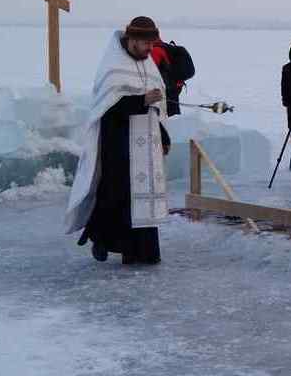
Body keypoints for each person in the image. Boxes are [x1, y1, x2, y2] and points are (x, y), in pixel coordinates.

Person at [65, 16, 171, 264]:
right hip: (118, 143)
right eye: (146, 44)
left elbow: (159, 106)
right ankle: (102, 239)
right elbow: (106, 109)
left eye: (152, 45)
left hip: (146, 143)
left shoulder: (148, 65)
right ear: (132, 40)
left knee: (144, 198)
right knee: (117, 196)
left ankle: (144, 252)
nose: (149, 50)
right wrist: (141, 100)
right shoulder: (113, 66)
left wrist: (164, 136)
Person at [150, 38, 195, 116]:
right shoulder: (161, 46)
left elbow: (150, 74)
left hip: (169, 88)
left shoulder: (155, 50)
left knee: (168, 117)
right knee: (172, 116)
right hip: (174, 86)